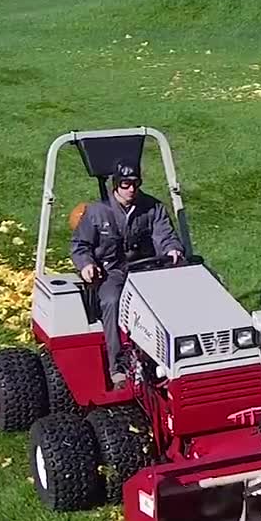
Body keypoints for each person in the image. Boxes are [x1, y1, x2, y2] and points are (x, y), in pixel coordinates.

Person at [70, 160, 184, 387]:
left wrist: (172, 249)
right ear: (116, 185)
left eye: (135, 183)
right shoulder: (96, 212)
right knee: (112, 301)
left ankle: (174, 357)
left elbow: (165, 236)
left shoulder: (153, 208)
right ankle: (118, 367)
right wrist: (86, 265)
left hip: (147, 270)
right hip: (111, 272)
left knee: (171, 299)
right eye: (125, 184)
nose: (131, 189)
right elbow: (80, 246)